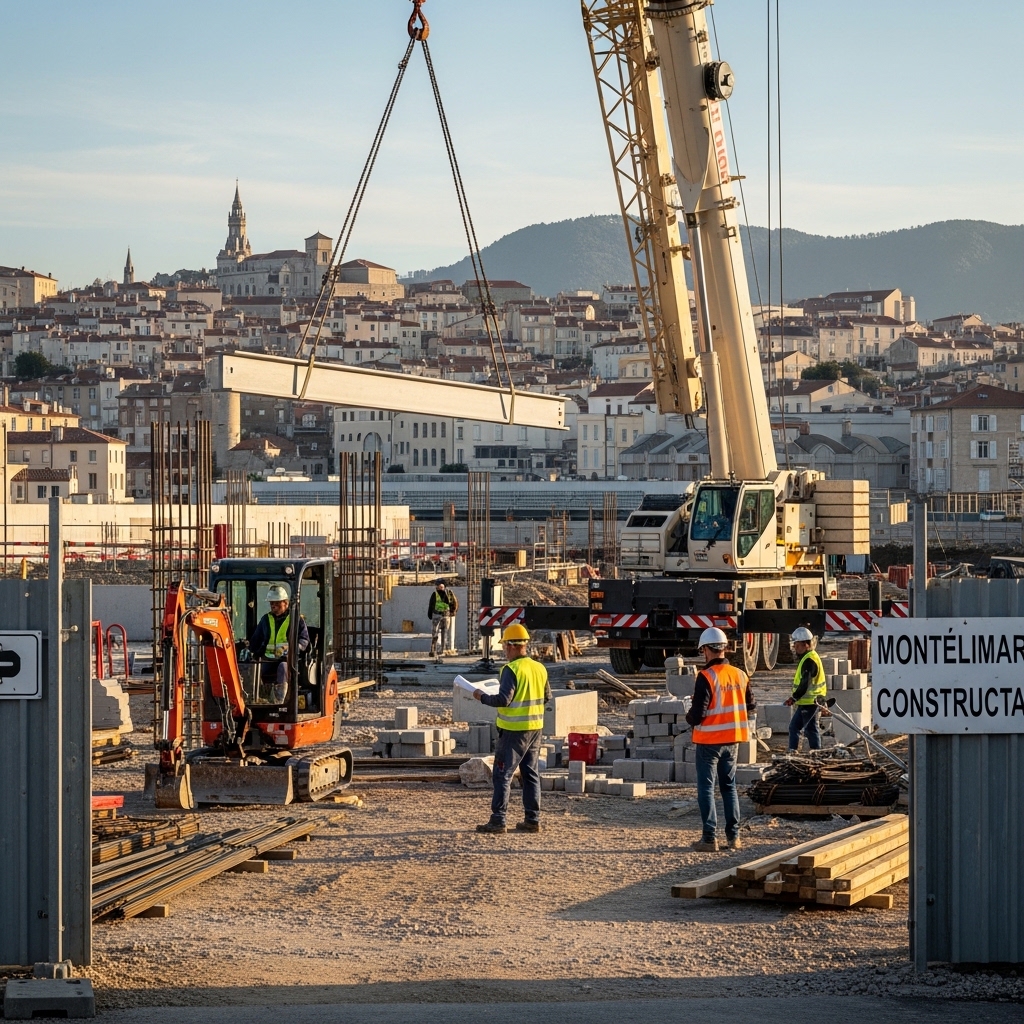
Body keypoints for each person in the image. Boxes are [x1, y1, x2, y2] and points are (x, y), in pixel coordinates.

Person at [473, 623, 551, 834]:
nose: (504, 651)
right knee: (530, 774)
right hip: (535, 728)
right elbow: (546, 697)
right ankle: (532, 820)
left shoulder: (511, 670)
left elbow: (503, 700)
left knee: (502, 774)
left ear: (512, 646)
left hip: (514, 730)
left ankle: (498, 821)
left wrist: (481, 696)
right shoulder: (539, 668)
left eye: (505, 646)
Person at [685, 627, 755, 852]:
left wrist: (688, 714)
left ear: (705, 650)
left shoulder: (705, 676)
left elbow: (697, 715)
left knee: (706, 788)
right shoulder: (740, 674)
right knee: (729, 787)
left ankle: (709, 838)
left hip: (709, 741)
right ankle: (733, 837)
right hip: (733, 740)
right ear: (724, 648)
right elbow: (751, 705)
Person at [247, 583, 309, 703]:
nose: (273, 606)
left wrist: (293, 648)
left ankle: (279, 701)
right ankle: (256, 699)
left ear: (285, 603)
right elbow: (255, 641)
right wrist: (249, 651)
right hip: (268, 660)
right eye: (271, 603)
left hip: (287, 660)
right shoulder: (265, 620)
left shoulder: (296, 620)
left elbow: (304, 640)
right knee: (254, 670)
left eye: (276, 603)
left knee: (283, 668)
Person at [785, 626, 826, 753]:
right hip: (806, 702)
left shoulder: (809, 660)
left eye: (797, 644)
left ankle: (816, 753)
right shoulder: (808, 657)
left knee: (810, 729)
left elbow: (805, 683)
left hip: (810, 702)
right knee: (794, 727)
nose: (795, 647)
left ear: (805, 644)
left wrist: (794, 697)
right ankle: (793, 751)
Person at [427, 580, 458, 662]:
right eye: (438, 586)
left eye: (441, 586)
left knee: (445, 633)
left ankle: (442, 650)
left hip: (446, 615)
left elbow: (454, 602)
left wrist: (453, 612)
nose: (439, 588)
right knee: (435, 633)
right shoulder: (435, 594)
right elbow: (431, 604)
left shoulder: (449, 593)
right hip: (437, 615)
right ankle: (433, 649)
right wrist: (430, 614)